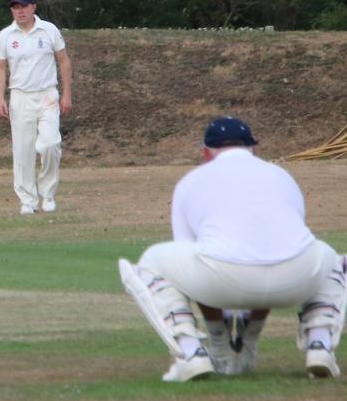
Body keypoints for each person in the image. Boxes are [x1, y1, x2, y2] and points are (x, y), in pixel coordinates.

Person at [119, 117, 344, 382]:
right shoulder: (281, 176)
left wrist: (219, 333)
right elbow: (278, 249)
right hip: (297, 278)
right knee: (331, 260)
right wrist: (251, 332)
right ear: (253, 149)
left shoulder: (191, 182)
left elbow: (194, 255)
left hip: (221, 278)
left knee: (152, 262)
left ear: (205, 153)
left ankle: (192, 354)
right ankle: (320, 344)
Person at [0, 0, 72, 214]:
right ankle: (27, 200)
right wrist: (0, 98)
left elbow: (63, 61)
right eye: (16, 7)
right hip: (20, 97)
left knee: (50, 144)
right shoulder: (6, 35)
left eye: (24, 6)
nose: (20, 11)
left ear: (33, 7)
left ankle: (48, 195)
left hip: (47, 94)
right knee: (23, 150)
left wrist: (66, 95)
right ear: (12, 11)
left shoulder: (49, 30)